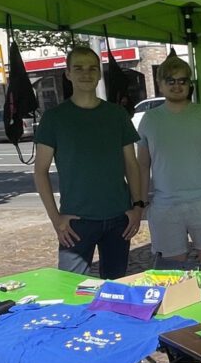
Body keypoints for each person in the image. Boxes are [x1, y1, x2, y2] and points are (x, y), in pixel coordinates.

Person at [33, 45, 144, 279]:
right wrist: (56, 219)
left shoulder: (116, 115)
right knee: (71, 289)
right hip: (76, 221)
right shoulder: (55, 118)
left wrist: (138, 207)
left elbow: (131, 165)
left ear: (99, 73)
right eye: (79, 68)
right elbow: (40, 172)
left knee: (116, 289)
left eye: (92, 68)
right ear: (68, 73)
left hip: (118, 218)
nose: (86, 73)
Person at [138, 54, 201, 273]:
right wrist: (141, 203)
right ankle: (181, 305)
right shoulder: (150, 119)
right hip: (165, 205)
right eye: (171, 80)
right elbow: (142, 164)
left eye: (182, 80)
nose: (177, 85)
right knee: (173, 264)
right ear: (160, 84)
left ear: (190, 84)